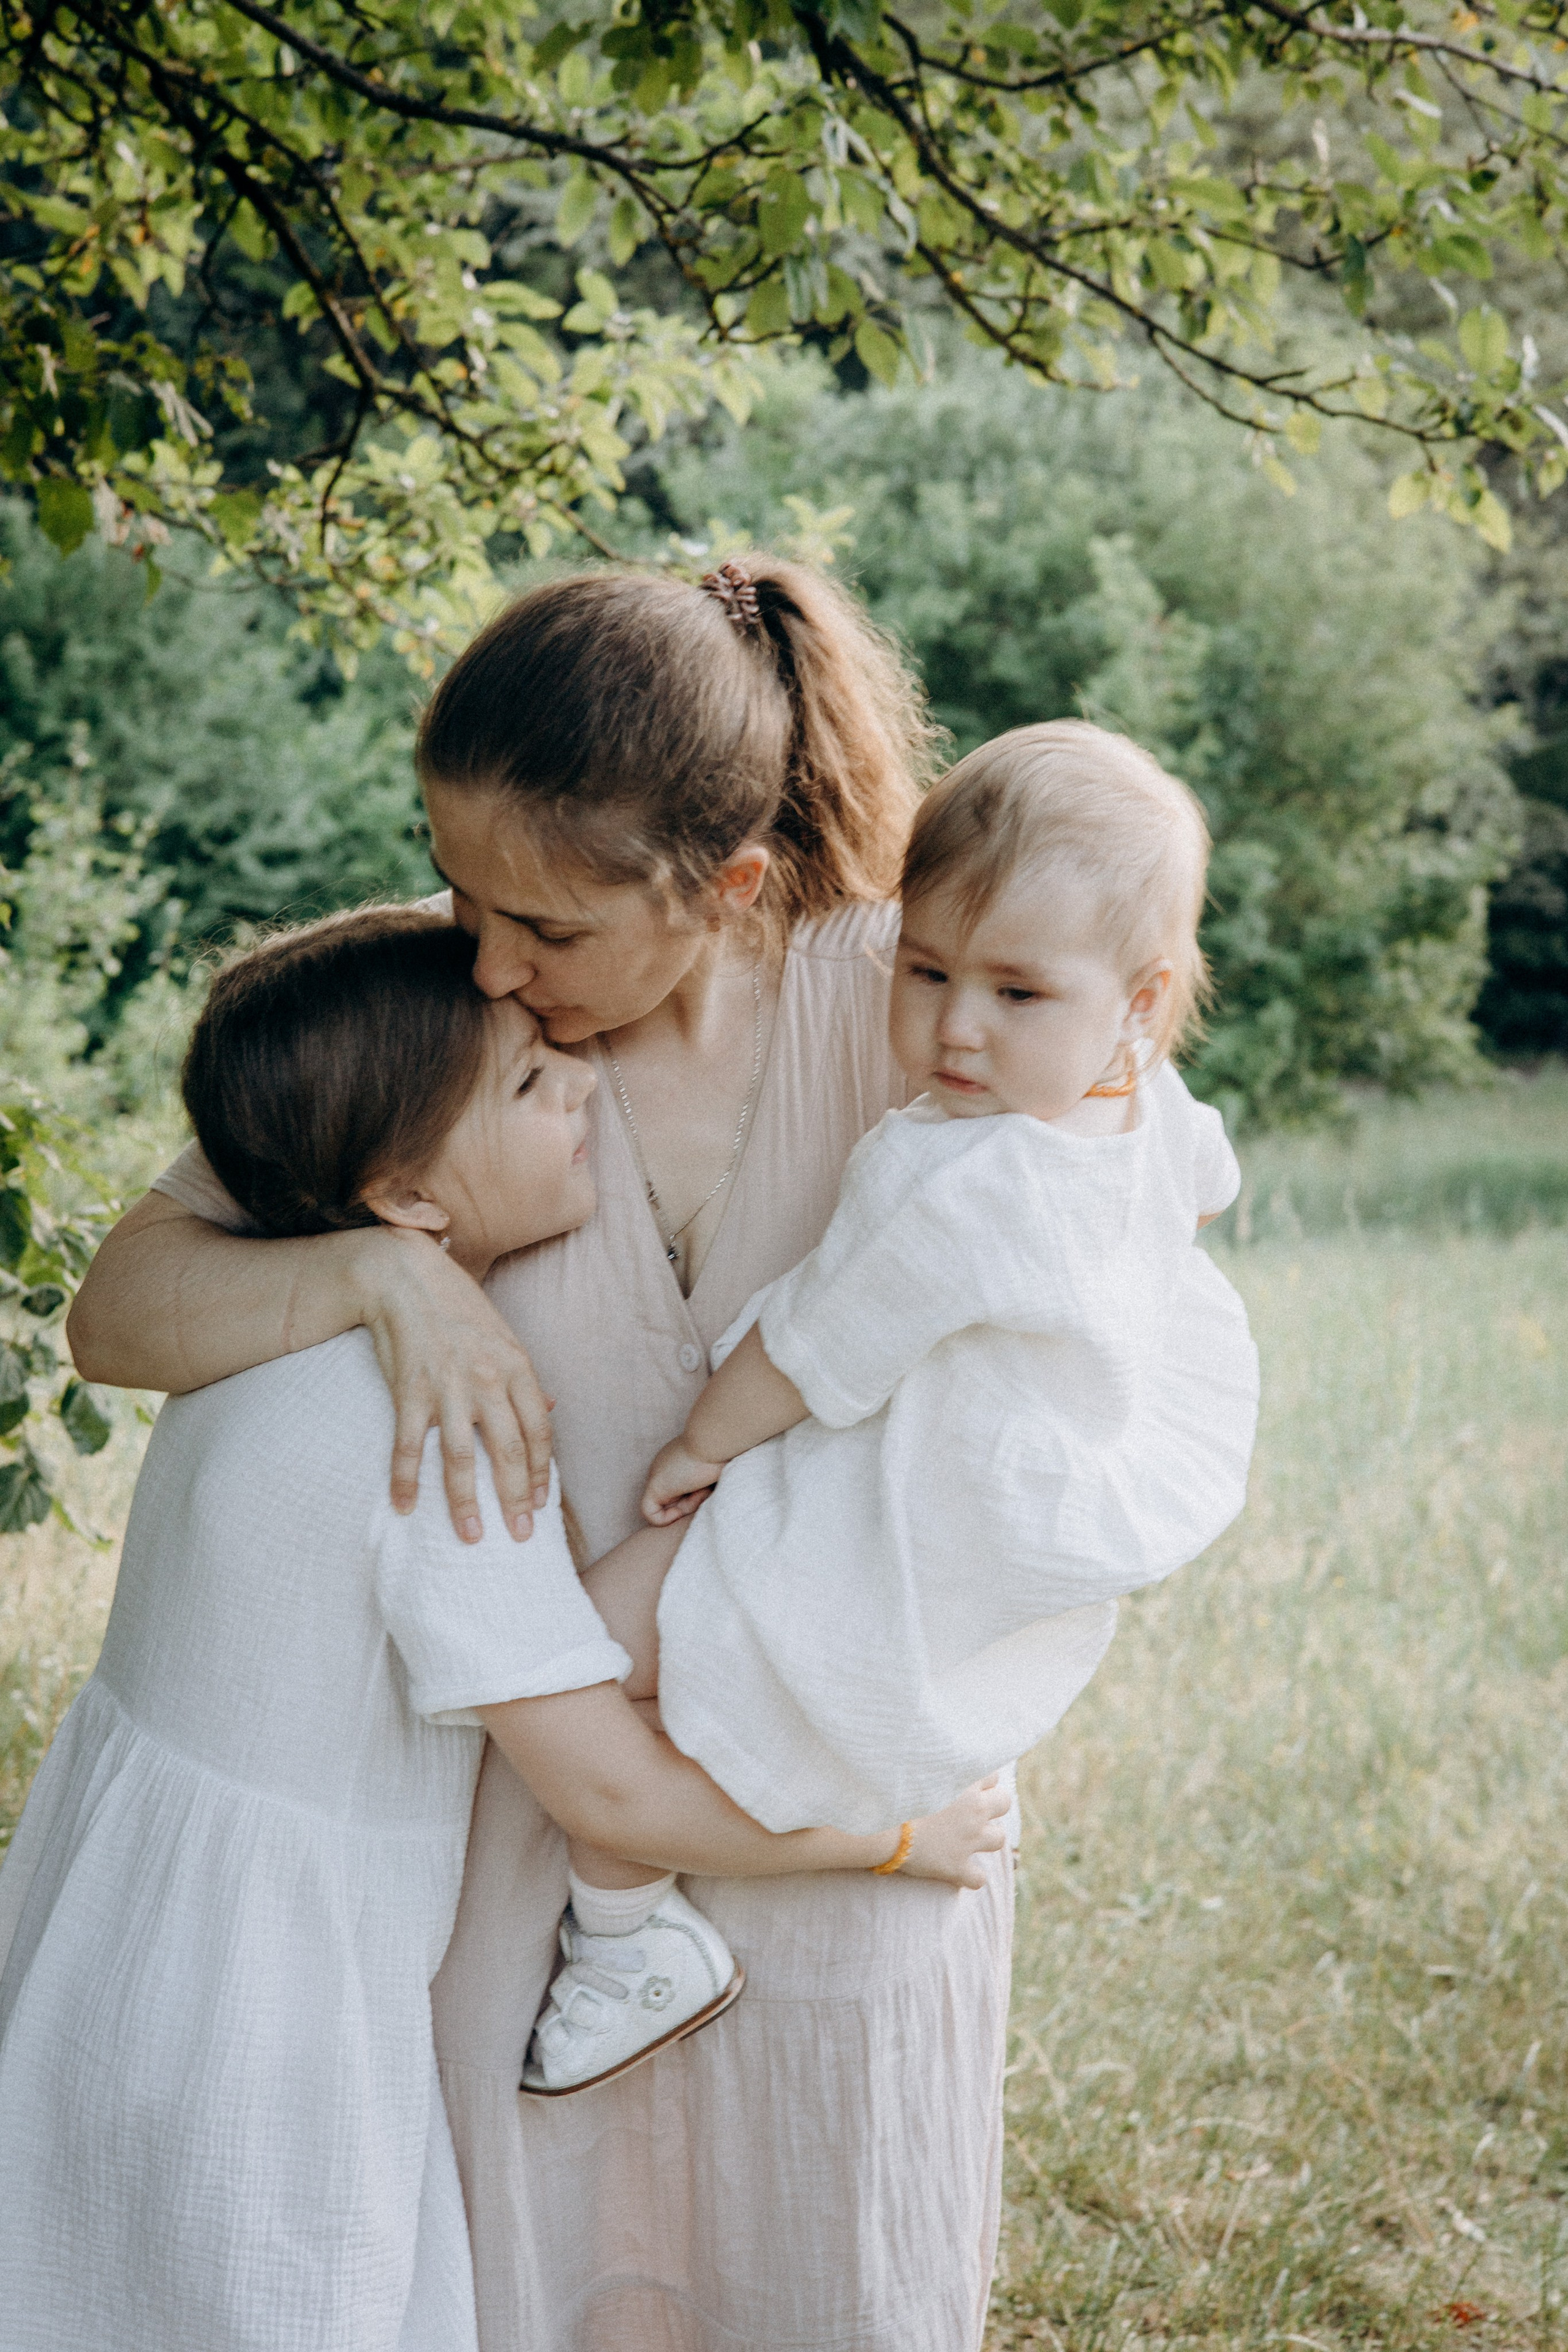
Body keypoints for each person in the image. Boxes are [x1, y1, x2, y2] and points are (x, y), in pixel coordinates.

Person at [66, 558, 1018, 2351]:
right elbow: (120, 1311)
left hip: (841, 1805)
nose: (494, 953)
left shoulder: (901, 1005)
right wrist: (371, 1278)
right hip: (526, 1869)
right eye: (458, 890)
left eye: (552, 931)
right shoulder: (445, 1031)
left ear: (726, 886)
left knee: (827, 2281)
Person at [527, 720, 1260, 2093]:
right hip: (980, 1491)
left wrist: (700, 1441)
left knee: (595, 1648)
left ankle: (626, 1931)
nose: (955, 1028)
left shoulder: (968, 1186)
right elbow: (1203, 1182)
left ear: (1140, 1002)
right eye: (924, 971)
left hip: (881, 1495)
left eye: (1015, 993)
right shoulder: (1140, 1105)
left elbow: (815, 1348)